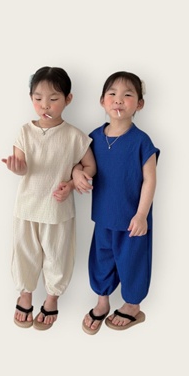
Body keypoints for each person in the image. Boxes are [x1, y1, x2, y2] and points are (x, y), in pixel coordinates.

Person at [2, 66, 96, 330]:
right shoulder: (24, 132)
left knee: (57, 254)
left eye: (53, 99)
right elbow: (22, 166)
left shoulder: (75, 136)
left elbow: (90, 166)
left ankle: (52, 297)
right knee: (25, 252)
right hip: (27, 207)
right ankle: (25, 294)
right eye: (38, 98)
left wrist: (74, 182)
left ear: (68, 99)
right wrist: (17, 167)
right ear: (31, 98)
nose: (45, 105)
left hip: (57, 209)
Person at [74, 71, 160, 334]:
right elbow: (79, 163)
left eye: (127, 95)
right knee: (101, 259)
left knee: (133, 262)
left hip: (133, 220)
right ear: (102, 101)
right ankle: (102, 302)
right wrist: (76, 173)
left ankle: (132, 306)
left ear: (139, 104)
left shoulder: (142, 141)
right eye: (112, 94)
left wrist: (142, 214)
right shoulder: (93, 137)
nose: (119, 100)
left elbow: (150, 180)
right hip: (104, 217)